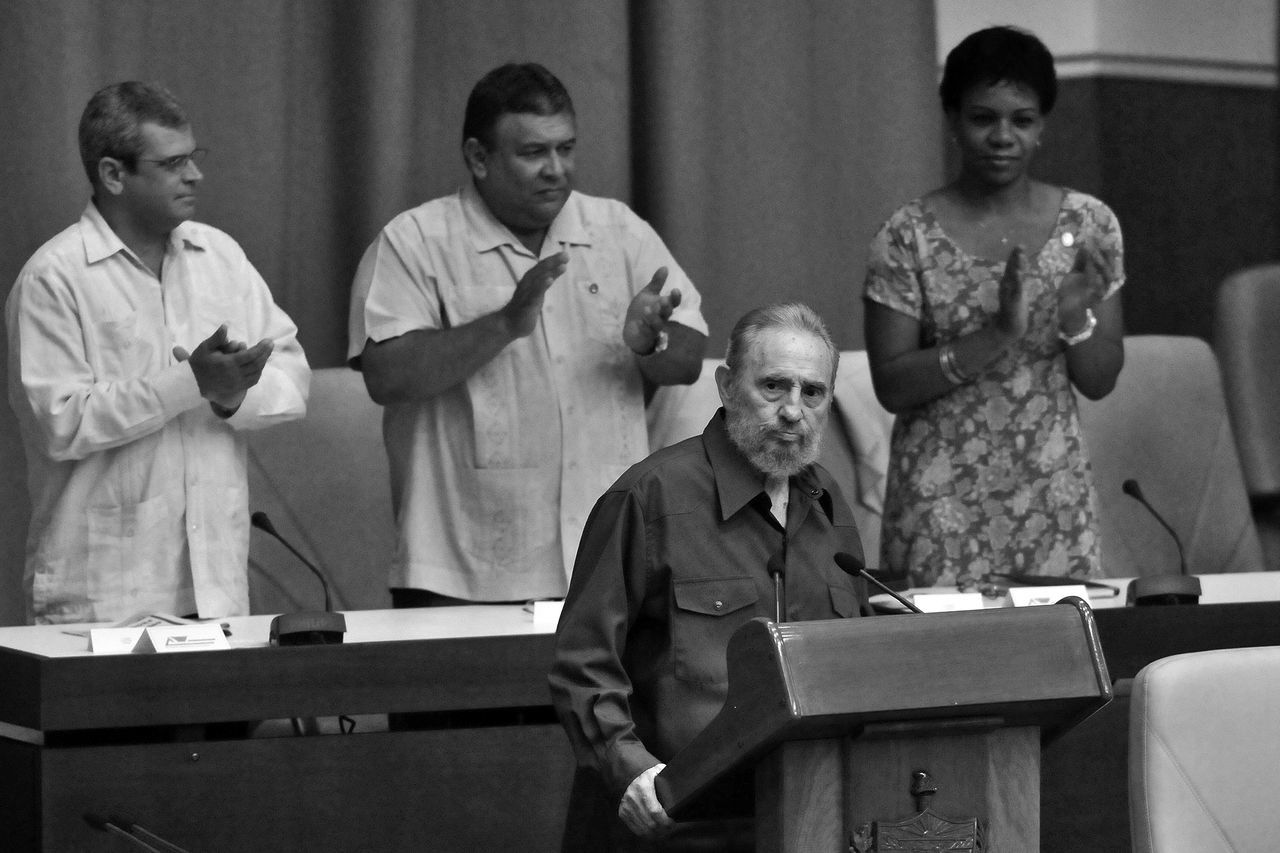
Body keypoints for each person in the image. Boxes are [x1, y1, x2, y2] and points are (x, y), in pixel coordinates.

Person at [348, 62, 707, 606]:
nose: (556, 169)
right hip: (461, 567)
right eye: (534, 152)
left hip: (607, 560)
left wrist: (647, 343)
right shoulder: (415, 241)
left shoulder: (618, 231)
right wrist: (504, 324)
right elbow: (386, 375)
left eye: (566, 149)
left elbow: (687, 361)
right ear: (478, 157)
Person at [549, 303, 871, 851]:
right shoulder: (650, 497)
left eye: (812, 393)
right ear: (726, 385)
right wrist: (631, 771)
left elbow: (857, 659)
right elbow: (584, 664)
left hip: (803, 817)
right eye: (773, 386)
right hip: (676, 823)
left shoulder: (827, 502)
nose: (793, 411)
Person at [6, 81, 310, 625]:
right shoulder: (54, 278)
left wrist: (231, 397)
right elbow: (61, 422)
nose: (195, 175)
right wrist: (190, 383)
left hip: (215, 597)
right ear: (113, 174)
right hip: (105, 602)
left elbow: (291, 378)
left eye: (194, 158)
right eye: (172, 163)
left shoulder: (219, 255)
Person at [863, 26, 1125, 589]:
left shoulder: (1090, 225)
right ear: (952, 120)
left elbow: (1100, 382)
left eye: (1022, 120)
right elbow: (891, 384)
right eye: (983, 118)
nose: (1002, 136)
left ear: (1042, 127)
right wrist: (998, 335)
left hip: (1054, 499)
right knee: (944, 673)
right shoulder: (906, 235)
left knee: (1066, 673)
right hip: (939, 504)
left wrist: (1076, 316)